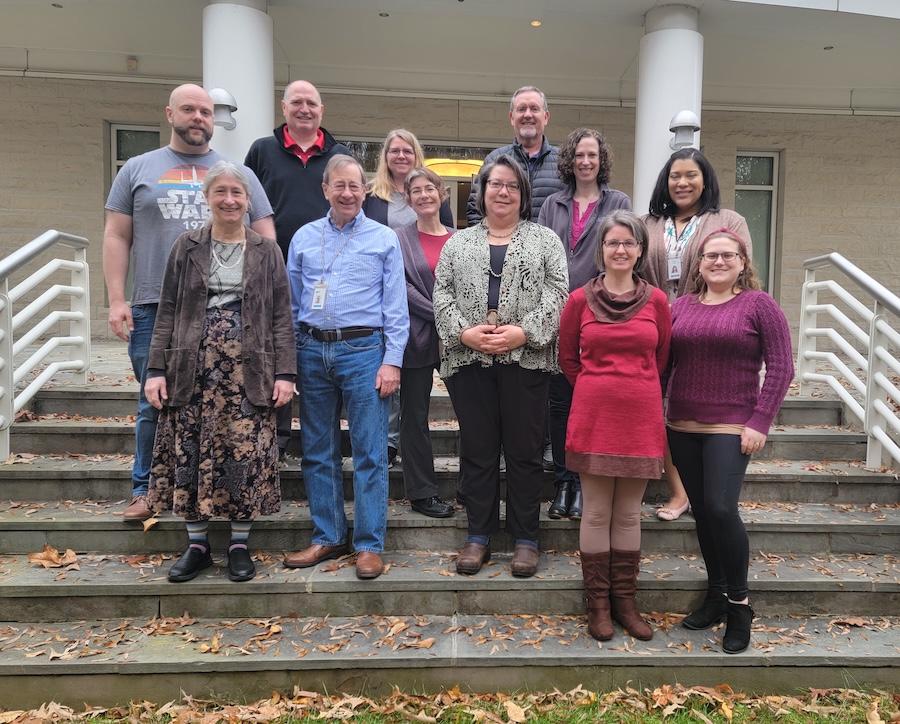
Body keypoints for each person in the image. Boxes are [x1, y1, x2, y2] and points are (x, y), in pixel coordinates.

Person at [103, 84, 275, 522]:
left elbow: (267, 239)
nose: (199, 117)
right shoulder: (138, 168)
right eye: (189, 110)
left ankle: (218, 496)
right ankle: (145, 489)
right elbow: (116, 235)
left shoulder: (238, 173)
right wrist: (117, 298)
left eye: (205, 111)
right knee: (154, 401)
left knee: (229, 411)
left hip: (229, 317)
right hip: (155, 305)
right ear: (169, 114)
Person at [143, 161, 295, 583]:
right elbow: (168, 310)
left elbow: (282, 315)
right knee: (191, 449)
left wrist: (286, 373)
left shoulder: (268, 250)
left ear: (248, 201)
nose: (230, 200)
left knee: (243, 453)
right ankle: (197, 546)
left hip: (251, 369)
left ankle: (239, 545)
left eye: (238, 193)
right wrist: (156, 369)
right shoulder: (185, 246)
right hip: (191, 366)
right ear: (208, 198)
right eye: (221, 192)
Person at [434, 154, 568, 578]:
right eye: (495, 184)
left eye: (512, 185)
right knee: (478, 450)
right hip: (471, 360)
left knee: (526, 452)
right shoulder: (458, 242)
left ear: (523, 194)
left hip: (527, 361)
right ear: (482, 191)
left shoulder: (545, 240)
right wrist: (463, 332)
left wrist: (524, 332)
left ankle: (526, 538)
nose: (503, 192)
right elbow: (442, 292)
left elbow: (558, 293)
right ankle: (479, 535)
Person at [665, 228, 792, 654]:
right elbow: (663, 367)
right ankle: (716, 595)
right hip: (681, 423)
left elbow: (781, 368)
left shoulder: (759, 304)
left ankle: (740, 605)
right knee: (702, 511)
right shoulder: (680, 306)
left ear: (742, 262)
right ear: (698, 265)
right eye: (710, 256)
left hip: (733, 424)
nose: (718, 262)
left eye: (727, 255)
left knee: (721, 507)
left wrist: (760, 421)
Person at [283, 155, 409, 581]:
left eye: (355, 186)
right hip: (312, 350)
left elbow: (396, 306)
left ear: (365, 190)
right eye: (339, 185)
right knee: (318, 450)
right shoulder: (303, 238)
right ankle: (328, 535)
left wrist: (392, 360)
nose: (348, 193)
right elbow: (293, 304)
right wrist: (291, 359)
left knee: (370, 451)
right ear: (326, 190)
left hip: (364, 351)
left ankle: (369, 544)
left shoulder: (383, 238)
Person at [558, 210, 671, 642]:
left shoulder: (657, 301)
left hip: (640, 418)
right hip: (594, 417)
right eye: (612, 243)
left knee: (627, 514)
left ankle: (626, 602)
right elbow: (569, 359)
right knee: (598, 510)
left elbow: (660, 359)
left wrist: (632, 385)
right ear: (600, 250)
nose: (620, 250)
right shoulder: (579, 301)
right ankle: (599, 606)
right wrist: (599, 386)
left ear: (640, 249)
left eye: (628, 243)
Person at [640, 148, 752, 523]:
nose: (682, 183)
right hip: (655, 327)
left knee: (690, 406)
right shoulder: (649, 222)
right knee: (660, 407)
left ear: (705, 179)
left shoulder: (729, 221)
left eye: (691, 175)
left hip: (704, 326)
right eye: (675, 176)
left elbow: (740, 274)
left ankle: (711, 488)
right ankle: (679, 491)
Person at [244, 80, 352, 459]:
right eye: (297, 103)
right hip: (271, 270)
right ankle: (277, 438)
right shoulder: (262, 151)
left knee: (320, 352)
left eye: (312, 103)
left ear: (321, 110)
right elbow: (246, 205)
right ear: (284, 107)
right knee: (275, 349)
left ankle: (321, 437)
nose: (305, 109)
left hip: (327, 274)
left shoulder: (338, 153)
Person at [537, 128, 632, 521]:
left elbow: (625, 252)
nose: (585, 161)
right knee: (559, 406)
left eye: (592, 154)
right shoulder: (552, 204)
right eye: (579, 155)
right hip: (558, 316)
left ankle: (585, 482)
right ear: (569, 160)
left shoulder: (618, 202)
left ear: (601, 159)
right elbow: (539, 256)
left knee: (591, 403)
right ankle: (563, 483)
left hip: (601, 316)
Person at [363, 128, 454, 468]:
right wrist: (439, 312)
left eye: (407, 150)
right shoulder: (374, 196)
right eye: (394, 150)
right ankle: (389, 446)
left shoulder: (448, 227)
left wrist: (447, 316)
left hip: (447, 328)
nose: (400, 156)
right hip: (397, 310)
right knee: (400, 392)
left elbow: (445, 260)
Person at [396, 168, 456, 519]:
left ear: (441, 193)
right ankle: (422, 492)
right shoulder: (398, 238)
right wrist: (444, 314)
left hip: (459, 342)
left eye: (429, 188)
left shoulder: (461, 238)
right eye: (415, 190)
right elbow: (399, 287)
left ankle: (471, 486)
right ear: (408, 199)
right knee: (414, 416)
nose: (423, 195)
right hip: (414, 338)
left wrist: (455, 324)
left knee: (472, 412)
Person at [466, 86, 565, 225]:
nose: (528, 114)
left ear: (545, 117)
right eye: (521, 109)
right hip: (503, 246)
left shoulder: (564, 162)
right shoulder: (494, 160)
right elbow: (475, 211)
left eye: (534, 109)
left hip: (549, 246)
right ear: (512, 117)